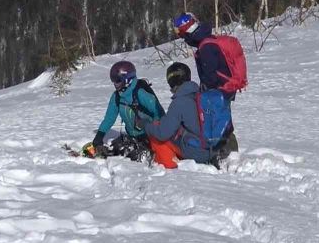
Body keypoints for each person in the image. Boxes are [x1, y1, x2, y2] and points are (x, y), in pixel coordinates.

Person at [172, 13, 239, 152]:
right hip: (225, 88)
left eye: (180, 33)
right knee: (221, 120)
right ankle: (224, 149)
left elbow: (211, 76)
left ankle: (223, 151)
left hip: (220, 91)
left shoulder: (205, 47)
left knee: (219, 122)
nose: (182, 38)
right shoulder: (206, 40)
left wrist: (204, 90)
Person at [83, 61, 164, 160]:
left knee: (133, 156)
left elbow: (159, 113)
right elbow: (109, 118)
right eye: (113, 81)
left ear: (127, 79)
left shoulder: (140, 93)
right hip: (132, 136)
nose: (115, 84)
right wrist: (99, 136)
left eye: (118, 80)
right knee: (116, 149)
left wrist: (156, 134)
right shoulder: (117, 96)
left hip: (150, 137)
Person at [139, 62, 213, 168]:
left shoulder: (180, 101)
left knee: (156, 132)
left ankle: (170, 167)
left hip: (196, 152)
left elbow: (162, 133)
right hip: (212, 148)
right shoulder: (201, 95)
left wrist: (146, 125)